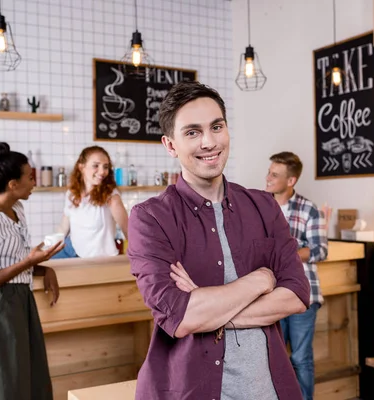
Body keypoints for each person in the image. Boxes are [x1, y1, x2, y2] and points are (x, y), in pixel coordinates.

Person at [127, 81, 311, 400]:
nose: (209, 142)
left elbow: (296, 293)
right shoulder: (150, 218)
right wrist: (260, 280)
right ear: (170, 145)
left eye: (216, 127)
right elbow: (179, 317)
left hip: (269, 391)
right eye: (192, 132)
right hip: (190, 390)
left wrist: (205, 305)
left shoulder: (264, 206)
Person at [0, 142, 64, 400]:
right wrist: (29, 263)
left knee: (26, 378)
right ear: (12, 184)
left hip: (19, 302)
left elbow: (13, 259)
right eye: (29, 177)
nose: (34, 182)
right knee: (6, 382)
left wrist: (41, 269)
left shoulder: (17, 209)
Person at [266, 151, 329, 400]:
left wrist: (283, 251)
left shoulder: (309, 209)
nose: (268, 178)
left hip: (304, 295)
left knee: (301, 358)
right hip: (271, 295)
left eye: (274, 174)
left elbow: (320, 250)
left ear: (290, 181)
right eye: (269, 172)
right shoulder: (262, 207)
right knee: (274, 358)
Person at [53, 146, 129, 259]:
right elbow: (63, 227)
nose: (102, 171)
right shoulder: (72, 193)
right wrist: (49, 247)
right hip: (72, 251)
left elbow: (128, 230)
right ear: (81, 167)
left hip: (100, 259)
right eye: (96, 166)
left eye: (106, 167)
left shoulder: (111, 196)